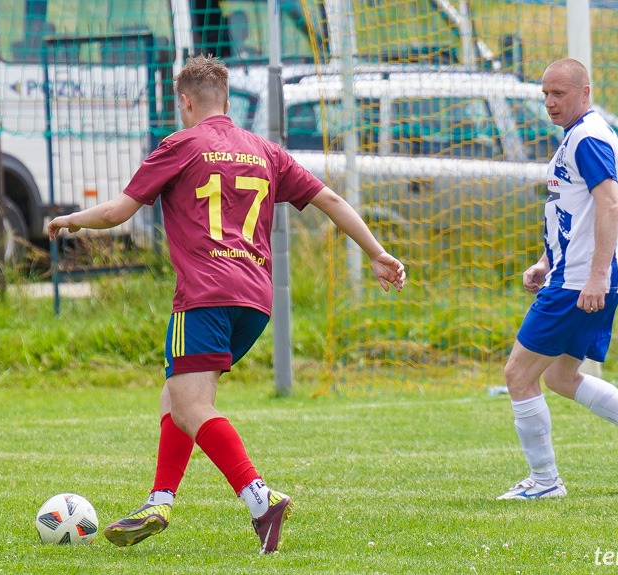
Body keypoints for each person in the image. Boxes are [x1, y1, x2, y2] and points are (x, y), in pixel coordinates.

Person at [47, 54, 406, 551]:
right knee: (176, 396)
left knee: (192, 404)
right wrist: (378, 252)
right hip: (254, 302)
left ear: (186, 102)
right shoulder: (265, 151)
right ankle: (160, 500)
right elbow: (332, 201)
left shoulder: (180, 145)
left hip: (202, 296)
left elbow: (117, 213)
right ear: (228, 100)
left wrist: (70, 220)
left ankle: (260, 499)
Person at [497, 58, 618, 500]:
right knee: (560, 377)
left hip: (580, 282)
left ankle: (545, 482)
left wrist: (595, 276)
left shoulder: (587, 138)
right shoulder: (575, 138)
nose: (549, 103)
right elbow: (574, 212)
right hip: (569, 275)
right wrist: (545, 261)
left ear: (585, 92)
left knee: (518, 375)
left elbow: (610, 206)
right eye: (545, 94)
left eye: (558, 94)